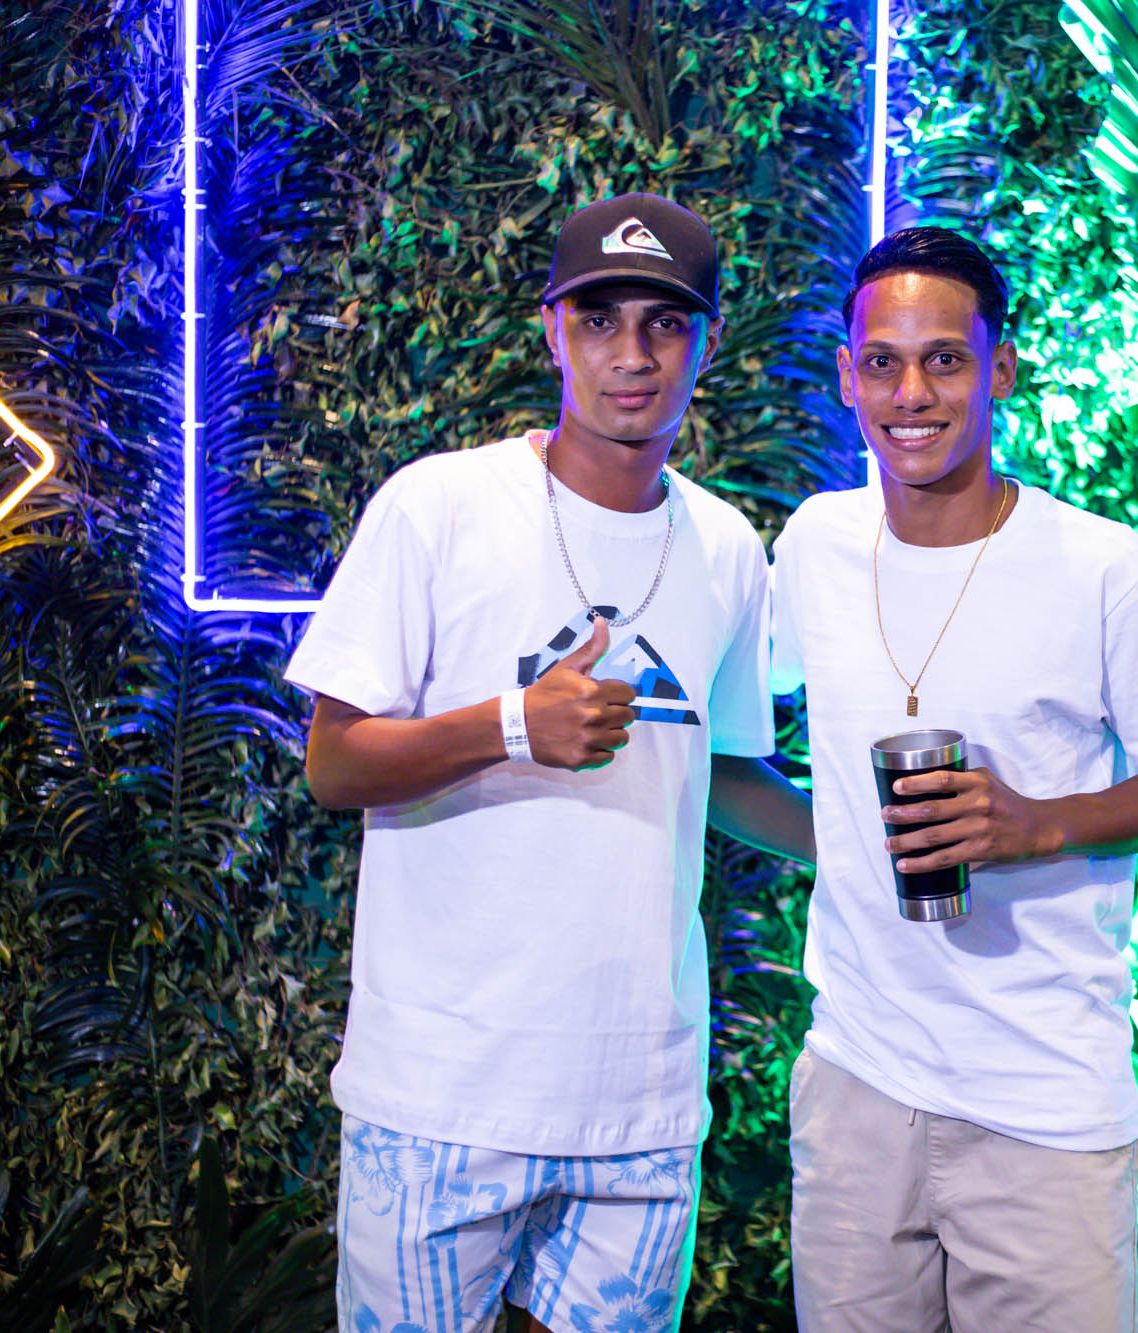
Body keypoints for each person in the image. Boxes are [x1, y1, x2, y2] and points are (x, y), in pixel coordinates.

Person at [285, 192, 812, 1333]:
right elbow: (334, 762)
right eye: (599, 319)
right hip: (441, 1094)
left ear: (708, 341)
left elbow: (719, 769)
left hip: (640, 1106)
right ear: (552, 331)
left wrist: (870, 836)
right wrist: (513, 725)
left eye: (665, 324)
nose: (633, 354)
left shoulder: (727, 546)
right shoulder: (438, 506)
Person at [770, 226, 1138, 1331]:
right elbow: (734, 722)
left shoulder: (1102, 566)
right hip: (856, 1084)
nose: (911, 394)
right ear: (847, 376)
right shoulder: (815, 544)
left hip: (1041, 1100)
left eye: (945, 359)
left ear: (1000, 369)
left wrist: (1035, 826)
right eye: (883, 362)